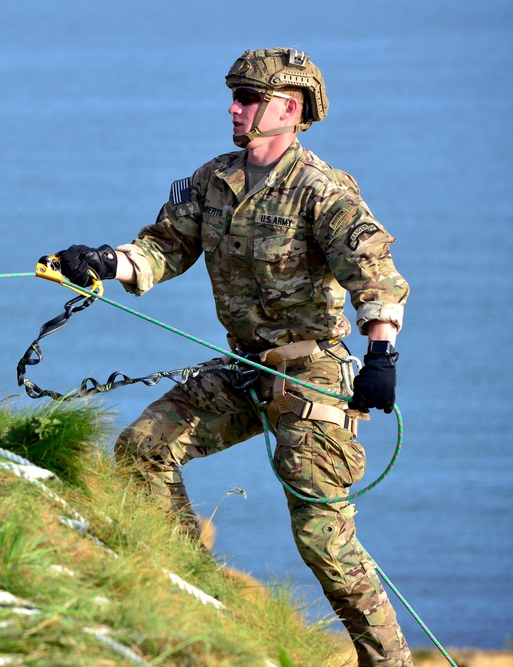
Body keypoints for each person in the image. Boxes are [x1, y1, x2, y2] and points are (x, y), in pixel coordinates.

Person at [53, 48, 412, 666]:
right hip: (246, 367)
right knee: (143, 448)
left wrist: (382, 354)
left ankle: (388, 662)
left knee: (324, 541)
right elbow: (164, 246)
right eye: (235, 95)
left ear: (289, 108)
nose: (234, 107)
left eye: (248, 98)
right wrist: (107, 264)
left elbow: (373, 270)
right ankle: (194, 595)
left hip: (312, 375)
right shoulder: (212, 179)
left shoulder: (322, 190)